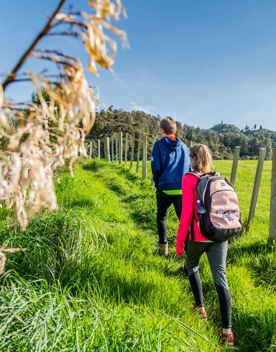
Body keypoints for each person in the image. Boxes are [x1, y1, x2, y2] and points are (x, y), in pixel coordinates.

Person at [176, 144, 235, 347]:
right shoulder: (218, 178)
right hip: (220, 235)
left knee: (191, 266)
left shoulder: (188, 179)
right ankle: (227, 331)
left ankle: (200, 308)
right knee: (221, 277)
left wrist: (178, 243)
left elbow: (185, 215)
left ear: (192, 159)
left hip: (198, 236)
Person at [151, 116, 190, 257]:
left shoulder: (158, 145)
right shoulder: (185, 147)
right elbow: (190, 168)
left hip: (164, 188)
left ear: (162, 130)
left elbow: (156, 167)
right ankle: (188, 252)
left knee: (161, 217)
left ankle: (163, 249)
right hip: (182, 189)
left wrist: (157, 182)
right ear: (175, 130)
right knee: (184, 221)